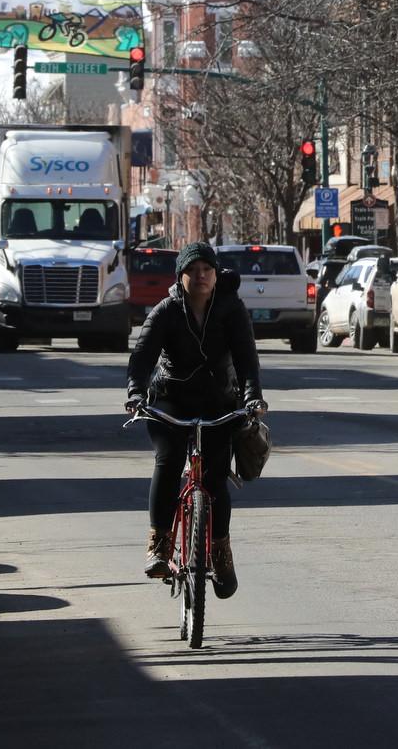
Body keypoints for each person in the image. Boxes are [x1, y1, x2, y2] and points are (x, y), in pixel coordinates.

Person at [126, 241, 267, 598]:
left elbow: (247, 359)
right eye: (193, 270)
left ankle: (220, 552)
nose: (201, 276)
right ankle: (158, 543)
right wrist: (135, 393)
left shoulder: (231, 309)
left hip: (220, 399)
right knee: (169, 461)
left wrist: (252, 397)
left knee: (216, 478)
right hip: (170, 399)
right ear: (181, 276)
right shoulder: (167, 310)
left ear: (216, 275)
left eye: (207, 269)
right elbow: (142, 357)